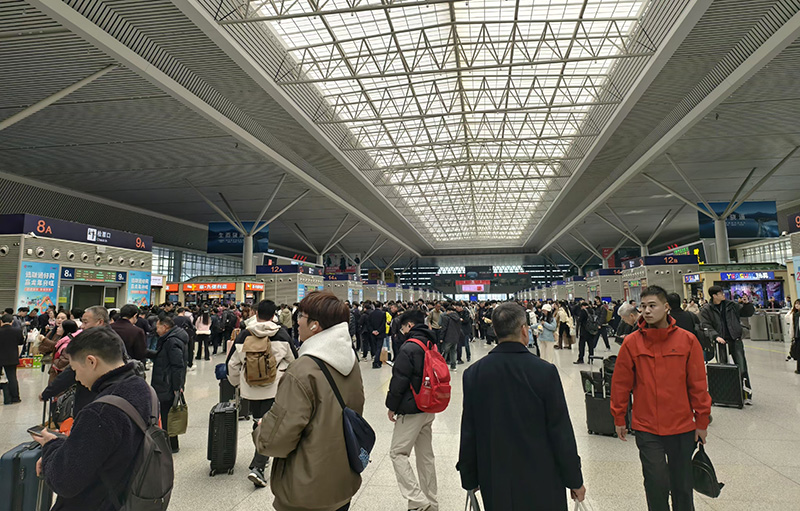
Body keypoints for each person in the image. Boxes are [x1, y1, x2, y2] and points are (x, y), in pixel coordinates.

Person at [457, 302, 585, 510]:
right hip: (542, 477)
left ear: (495, 330)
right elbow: (560, 430)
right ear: (524, 330)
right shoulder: (545, 372)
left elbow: (469, 430)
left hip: (496, 479)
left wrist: (469, 479)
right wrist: (574, 479)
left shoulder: (474, 374)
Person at [254, 291, 365, 511]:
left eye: (301, 316)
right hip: (342, 479)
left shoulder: (303, 369)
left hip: (307, 489)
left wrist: (261, 430)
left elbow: (278, 438)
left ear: (315, 325)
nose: (297, 321)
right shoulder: (350, 360)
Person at [611, 286, 711, 511]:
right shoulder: (632, 342)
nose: (646, 311)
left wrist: (702, 421)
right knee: (655, 482)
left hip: (682, 427)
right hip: (647, 427)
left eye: (652, 305)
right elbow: (621, 384)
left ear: (666, 308)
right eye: (643, 306)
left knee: (682, 485)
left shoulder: (687, 341)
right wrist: (619, 417)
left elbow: (698, 385)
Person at [32, 326, 155, 511]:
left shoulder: (100, 412)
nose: (77, 378)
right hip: (129, 497)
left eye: (75, 369)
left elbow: (65, 481)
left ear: (91, 362)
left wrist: (51, 447)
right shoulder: (143, 389)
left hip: (96, 502)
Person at [228, 300, 296, 488]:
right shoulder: (281, 334)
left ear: (256, 313)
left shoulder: (244, 334)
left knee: (260, 420)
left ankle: (261, 457)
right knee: (267, 423)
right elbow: (294, 361)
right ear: (274, 314)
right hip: (274, 388)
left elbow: (232, 364)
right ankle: (258, 465)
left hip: (249, 389)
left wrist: (237, 384)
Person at [385, 309, 440, 511]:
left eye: (403, 327)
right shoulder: (430, 342)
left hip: (412, 408)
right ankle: (431, 501)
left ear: (409, 325)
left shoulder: (409, 347)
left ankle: (418, 501)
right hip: (429, 406)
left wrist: (391, 406)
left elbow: (399, 379)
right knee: (425, 456)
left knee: (397, 453)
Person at [700, 285, 756, 403]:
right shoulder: (707, 309)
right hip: (720, 342)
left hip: (735, 339)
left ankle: (746, 394)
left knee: (742, 367)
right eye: (720, 293)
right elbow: (706, 325)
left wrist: (747, 304)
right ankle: (726, 394)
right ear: (714, 296)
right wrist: (715, 336)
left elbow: (747, 313)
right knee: (723, 367)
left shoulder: (732, 305)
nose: (723, 295)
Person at [149, 316, 187, 453]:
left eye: (158, 326)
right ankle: (170, 442)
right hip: (166, 381)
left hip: (167, 383)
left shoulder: (172, 341)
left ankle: (171, 444)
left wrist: (177, 387)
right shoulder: (169, 339)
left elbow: (178, 365)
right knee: (166, 413)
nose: (156, 329)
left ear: (165, 327)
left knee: (167, 414)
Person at [0, 314, 24, 404]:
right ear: (12, 322)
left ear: (1, 321)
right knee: (12, 377)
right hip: (11, 357)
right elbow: (21, 342)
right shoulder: (17, 331)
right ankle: (15, 397)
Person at [439, 304, 461, 371]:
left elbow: (444, 328)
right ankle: (453, 366)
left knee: (444, 351)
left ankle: (442, 367)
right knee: (453, 352)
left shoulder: (446, 317)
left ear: (448, 311)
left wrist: (441, 338)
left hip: (448, 337)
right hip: (455, 337)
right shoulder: (457, 317)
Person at [368, 301, 387, 369]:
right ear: (380, 306)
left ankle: (376, 360)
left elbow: (369, 324)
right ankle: (376, 362)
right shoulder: (383, 314)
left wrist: (373, 331)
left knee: (375, 347)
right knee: (379, 348)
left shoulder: (370, 314)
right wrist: (378, 331)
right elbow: (383, 324)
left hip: (373, 333)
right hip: (380, 333)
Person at [785, 299, 800, 374]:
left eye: (798, 304)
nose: (797, 305)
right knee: (798, 352)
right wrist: (792, 309)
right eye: (796, 304)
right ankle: (799, 369)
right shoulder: (793, 314)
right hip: (796, 335)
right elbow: (786, 318)